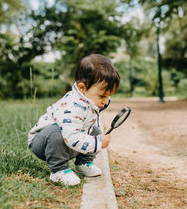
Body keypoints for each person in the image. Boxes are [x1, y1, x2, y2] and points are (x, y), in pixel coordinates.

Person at [27, 54, 120, 186]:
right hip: (42, 143)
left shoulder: (89, 99)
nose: (105, 101)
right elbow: (70, 136)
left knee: (95, 130)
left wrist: (97, 138)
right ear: (82, 88)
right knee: (57, 133)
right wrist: (97, 143)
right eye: (102, 96)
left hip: (68, 140)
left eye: (109, 96)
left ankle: (83, 163)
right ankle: (59, 170)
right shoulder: (71, 107)